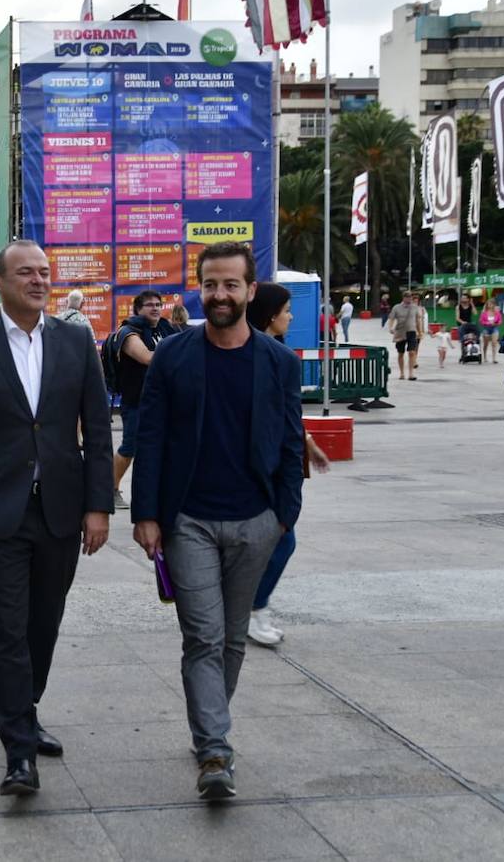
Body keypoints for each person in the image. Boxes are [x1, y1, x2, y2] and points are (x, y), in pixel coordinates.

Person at [0, 239, 112, 797]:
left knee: (43, 624)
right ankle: (18, 751)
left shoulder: (77, 341)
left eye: (44, 272)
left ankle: (25, 712)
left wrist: (99, 505)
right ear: (0, 281)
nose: (38, 280)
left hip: (61, 507)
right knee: (6, 629)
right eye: (25, 273)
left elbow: (99, 432)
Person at [130, 241, 304, 801]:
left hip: (256, 521)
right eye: (211, 285)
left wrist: (283, 514)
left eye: (231, 285)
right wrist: (147, 515)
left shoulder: (278, 362)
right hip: (189, 523)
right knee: (202, 637)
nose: (220, 295)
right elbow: (149, 438)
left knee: (231, 640)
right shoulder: (175, 357)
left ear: (251, 291)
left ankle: (209, 725)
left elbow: (289, 442)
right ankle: (215, 750)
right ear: (198, 289)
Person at [242, 282, 329, 648]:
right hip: (256, 470)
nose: (291, 316)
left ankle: (249, 606)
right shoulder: (263, 356)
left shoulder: (277, 355)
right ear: (271, 315)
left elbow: (285, 416)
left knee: (279, 539)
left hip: (275, 466)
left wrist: (308, 443)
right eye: (287, 310)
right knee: (282, 540)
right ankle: (252, 607)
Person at [112, 291, 172, 510]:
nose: (155, 308)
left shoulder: (164, 329)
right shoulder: (128, 332)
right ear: (138, 309)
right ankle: (111, 489)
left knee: (161, 447)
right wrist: (178, 350)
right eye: (149, 305)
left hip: (162, 400)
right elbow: (147, 357)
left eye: (158, 304)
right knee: (130, 447)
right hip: (137, 400)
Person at [386, 291, 423, 380]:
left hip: (412, 331)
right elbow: (391, 318)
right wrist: (391, 328)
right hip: (400, 332)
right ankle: (402, 373)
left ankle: (411, 374)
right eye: (407, 297)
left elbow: (418, 320)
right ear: (403, 298)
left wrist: (420, 331)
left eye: (410, 297)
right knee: (401, 353)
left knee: (412, 352)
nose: (409, 299)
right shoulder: (396, 307)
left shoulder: (415, 308)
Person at [479, 298, 503, 363]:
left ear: (494, 305)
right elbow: (481, 321)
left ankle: (494, 358)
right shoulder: (484, 312)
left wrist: (497, 323)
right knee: (486, 344)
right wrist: (488, 323)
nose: (490, 305)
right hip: (486, 328)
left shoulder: (497, 312)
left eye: (492, 304)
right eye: (489, 304)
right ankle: (485, 357)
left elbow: (500, 320)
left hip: (494, 328)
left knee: (494, 343)